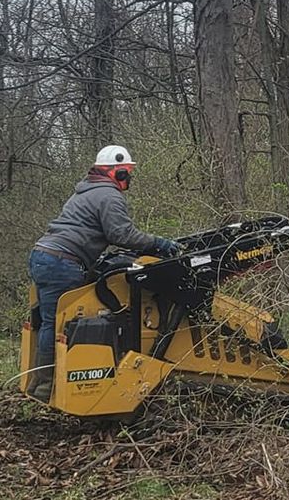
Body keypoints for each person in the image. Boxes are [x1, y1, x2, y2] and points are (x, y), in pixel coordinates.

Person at [28, 145, 182, 398]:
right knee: (58, 324)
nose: (130, 177)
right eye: (128, 171)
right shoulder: (109, 195)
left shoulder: (85, 191)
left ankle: (40, 384)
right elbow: (121, 234)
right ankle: (47, 387)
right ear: (117, 172)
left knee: (48, 322)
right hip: (62, 262)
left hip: (44, 256)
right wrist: (159, 243)